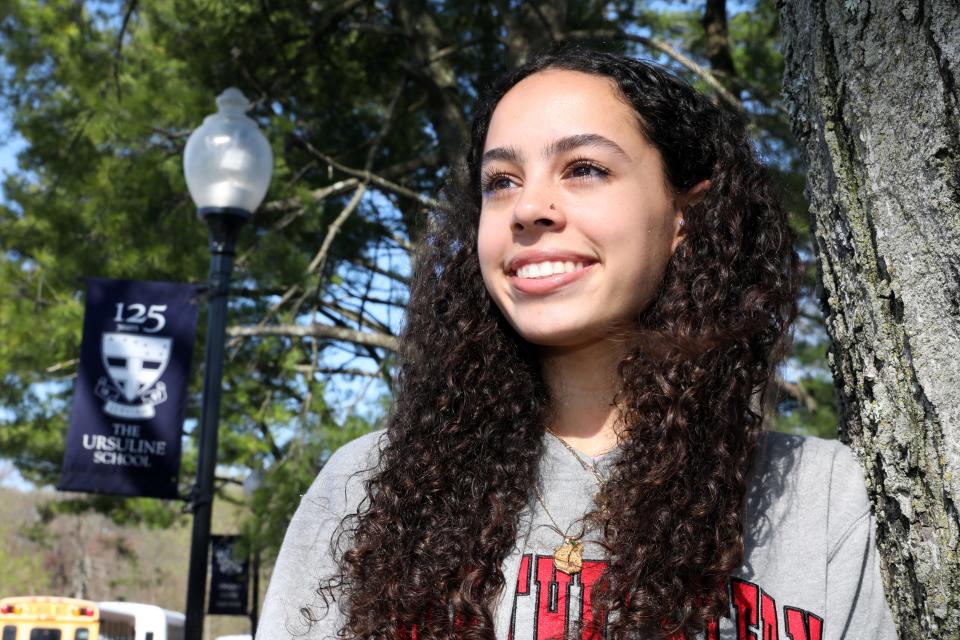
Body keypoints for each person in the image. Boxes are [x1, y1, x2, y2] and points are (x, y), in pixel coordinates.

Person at [258, 48, 897, 640]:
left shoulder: (826, 500)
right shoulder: (365, 486)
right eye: (500, 180)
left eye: (584, 169)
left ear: (686, 217)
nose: (528, 206)